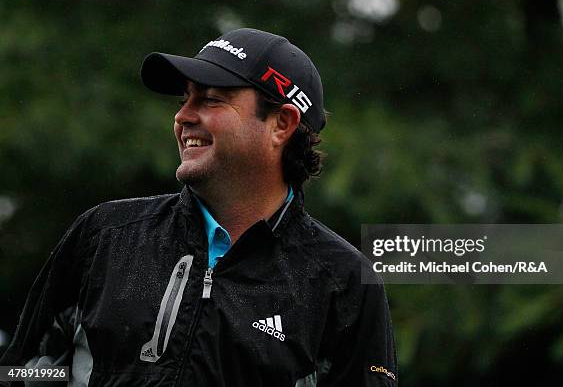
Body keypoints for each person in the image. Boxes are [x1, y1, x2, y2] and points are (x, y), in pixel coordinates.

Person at [0, 28, 396, 386]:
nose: (183, 116)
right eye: (185, 98)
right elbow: (23, 371)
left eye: (210, 99)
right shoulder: (104, 236)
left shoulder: (343, 282)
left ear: (281, 124)